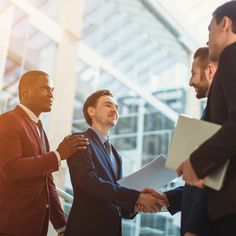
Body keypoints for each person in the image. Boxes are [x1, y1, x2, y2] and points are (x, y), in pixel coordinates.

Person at [0, 70, 89, 236]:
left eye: (52, 90)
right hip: (11, 225)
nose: (51, 95)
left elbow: (47, 183)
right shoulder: (8, 121)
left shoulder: (39, 128)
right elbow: (9, 169)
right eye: (45, 89)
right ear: (25, 92)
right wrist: (57, 155)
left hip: (36, 226)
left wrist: (62, 225)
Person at [65, 90, 165, 236]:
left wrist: (135, 205)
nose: (114, 110)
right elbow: (87, 181)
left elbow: (115, 197)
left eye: (117, 108)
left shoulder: (116, 155)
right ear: (91, 111)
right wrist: (135, 197)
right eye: (108, 105)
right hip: (86, 229)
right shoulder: (80, 140)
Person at [177, 1, 236, 235]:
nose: (207, 39)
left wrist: (197, 161)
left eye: (210, 30)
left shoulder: (232, 55)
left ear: (226, 24)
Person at [163, 47, 217, 236]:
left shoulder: (218, 113)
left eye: (193, 72)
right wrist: (165, 198)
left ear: (210, 70)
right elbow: (197, 185)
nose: (190, 81)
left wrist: (194, 228)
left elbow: (212, 181)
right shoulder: (208, 112)